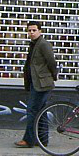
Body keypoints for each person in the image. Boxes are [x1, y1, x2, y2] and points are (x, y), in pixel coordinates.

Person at [15, 20, 57, 148]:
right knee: (41, 111)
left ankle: (29, 139)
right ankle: (42, 139)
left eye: (34, 30)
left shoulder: (43, 44)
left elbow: (51, 62)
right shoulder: (33, 44)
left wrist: (53, 76)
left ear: (40, 31)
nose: (31, 33)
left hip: (42, 83)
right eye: (29, 30)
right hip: (36, 82)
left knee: (32, 110)